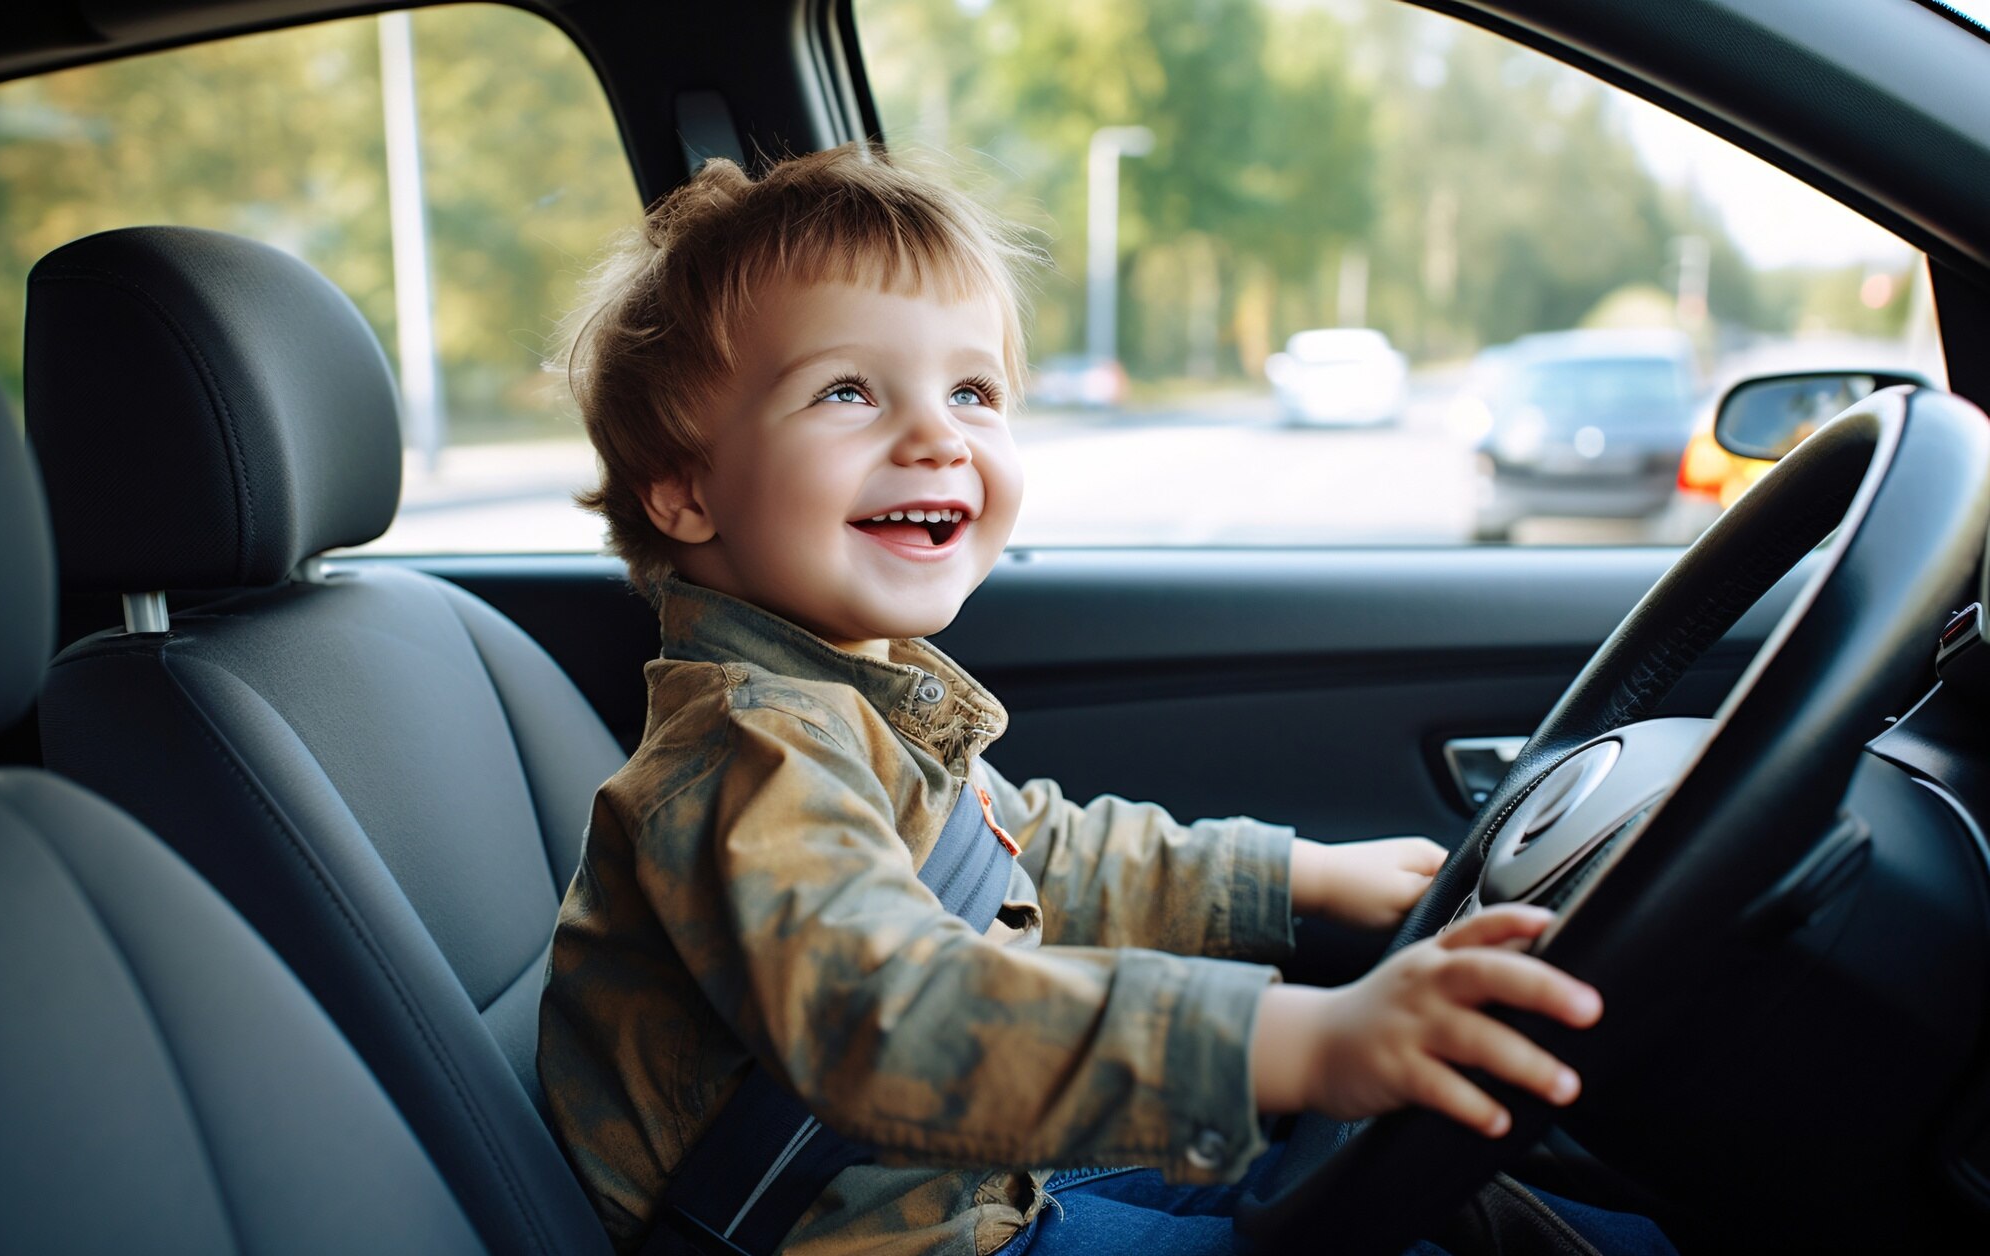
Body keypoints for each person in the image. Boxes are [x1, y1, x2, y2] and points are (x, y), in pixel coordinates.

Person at [538, 146, 1668, 1256]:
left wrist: (1300, 875)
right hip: (887, 1234)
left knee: (1432, 1187)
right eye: (846, 390)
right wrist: (1302, 1041)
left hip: (962, 1186)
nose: (937, 433)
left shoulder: (853, 695)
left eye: (972, 389)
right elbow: (890, 1013)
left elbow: (1037, 849)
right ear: (687, 489)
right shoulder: (747, 752)